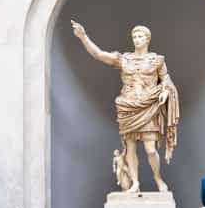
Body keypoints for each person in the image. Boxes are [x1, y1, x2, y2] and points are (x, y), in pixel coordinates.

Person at [71, 20, 180, 193]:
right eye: (134, 36)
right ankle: (135, 182)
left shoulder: (156, 60)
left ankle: (158, 178)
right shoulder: (124, 59)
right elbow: (100, 55)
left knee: (151, 149)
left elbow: (166, 79)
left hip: (148, 104)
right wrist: (84, 37)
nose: (136, 39)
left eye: (140, 36)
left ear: (147, 39)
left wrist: (166, 90)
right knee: (130, 146)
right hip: (127, 105)